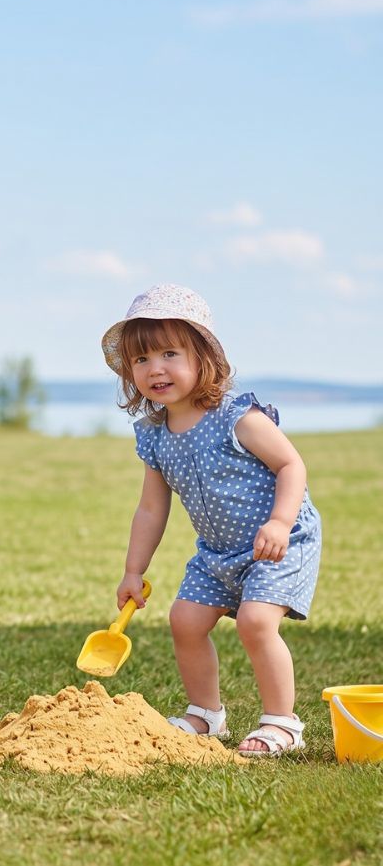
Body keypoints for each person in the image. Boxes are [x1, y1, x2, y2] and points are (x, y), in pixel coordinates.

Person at [101, 284, 321, 758]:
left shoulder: (238, 416)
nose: (155, 368)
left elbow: (291, 465)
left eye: (169, 353)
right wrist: (133, 570)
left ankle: (282, 722)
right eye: (141, 360)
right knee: (184, 620)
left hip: (279, 540)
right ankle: (206, 713)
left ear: (204, 358)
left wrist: (281, 522)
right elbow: (151, 509)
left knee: (256, 623)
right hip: (218, 552)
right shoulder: (156, 436)